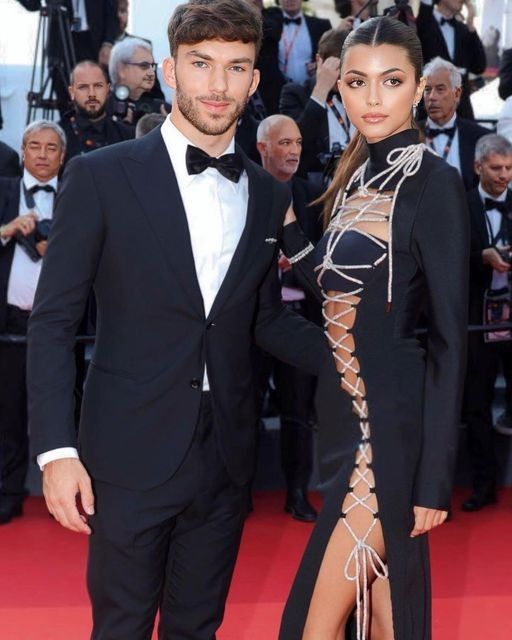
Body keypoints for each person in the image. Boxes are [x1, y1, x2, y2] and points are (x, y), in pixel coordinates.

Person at [27, 1, 325, 638]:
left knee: (198, 626)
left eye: (235, 67)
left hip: (226, 452)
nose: (217, 85)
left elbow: (263, 320)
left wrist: (358, 355)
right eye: (201, 65)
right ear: (168, 71)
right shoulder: (99, 177)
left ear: (254, 80)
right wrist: (56, 452)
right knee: (123, 625)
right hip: (127, 449)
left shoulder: (268, 194)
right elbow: (52, 322)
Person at [277, 17, 468, 639]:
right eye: (357, 82)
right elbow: (341, 301)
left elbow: (447, 339)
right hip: (340, 421)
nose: (373, 98)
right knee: (387, 622)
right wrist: (288, 236)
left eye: (391, 81)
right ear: (340, 88)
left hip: (382, 438)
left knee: (311, 624)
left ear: (418, 87)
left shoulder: (435, 185)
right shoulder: (353, 176)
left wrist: (434, 478)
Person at [256, 114, 322, 521]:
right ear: (263, 147)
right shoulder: (242, 190)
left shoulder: (313, 196)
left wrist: (295, 262)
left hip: (300, 317)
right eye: (284, 143)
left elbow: (323, 255)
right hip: (254, 319)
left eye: (298, 142)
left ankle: (297, 491)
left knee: (299, 409)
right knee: (243, 406)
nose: (294, 150)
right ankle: (237, 492)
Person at [0, 121, 65, 526]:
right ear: (22, 151)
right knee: (8, 412)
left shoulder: (79, 195)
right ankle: (8, 491)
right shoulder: (3, 190)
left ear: (63, 155)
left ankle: (75, 494)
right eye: (34, 146)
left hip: (62, 326)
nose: (42, 154)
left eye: (51, 148)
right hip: (8, 321)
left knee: (65, 410)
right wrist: (6, 230)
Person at [463, 134, 512, 511]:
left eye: (509, 168)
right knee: (476, 406)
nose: (504, 176)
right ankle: (484, 485)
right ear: (478, 167)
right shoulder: (460, 204)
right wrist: (481, 256)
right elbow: (447, 257)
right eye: (496, 169)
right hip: (475, 320)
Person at [17, 1, 118, 114]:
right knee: (65, 99)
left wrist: (108, 43)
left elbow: (112, 12)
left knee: (94, 94)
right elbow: (34, 5)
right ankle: (68, 128)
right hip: (60, 42)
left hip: (94, 42)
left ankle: (94, 128)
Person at [280, 28, 351, 181]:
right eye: (337, 68)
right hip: (316, 185)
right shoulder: (294, 93)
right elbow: (295, 143)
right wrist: (321, 90)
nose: (342, 77)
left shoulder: (357, 93)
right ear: (319, 60)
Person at [420, 56, 488, 191]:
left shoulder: (481, 138)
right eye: (427, 90)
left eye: (440, 89)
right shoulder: (406, 136)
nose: (432, 97)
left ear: (457, 94)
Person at [416, 0, 486, 120]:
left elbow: (479, 66)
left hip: (462, 113)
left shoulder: (463, 30)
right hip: (431, 113)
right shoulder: (425, 23)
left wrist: (470, 25)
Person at [59, 60, 134, 161]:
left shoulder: (128, 136)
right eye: (83, 87)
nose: (91, 94)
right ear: (71, 92)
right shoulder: (56, 138)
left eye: (98, 86)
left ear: (108, 90)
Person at [108, 37, 168, 125]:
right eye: (144, 66)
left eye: (153, 66)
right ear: (122, 70)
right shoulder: (103, 109)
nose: (151, 73)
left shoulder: (162, 109)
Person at [276, 0, 332, 86]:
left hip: (314, 89)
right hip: (278, 92)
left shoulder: (322, 26)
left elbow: (333, 57)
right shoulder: (268, 27)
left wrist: (319, 65)